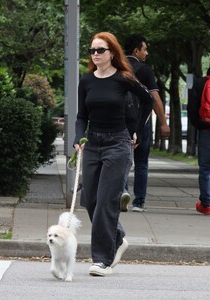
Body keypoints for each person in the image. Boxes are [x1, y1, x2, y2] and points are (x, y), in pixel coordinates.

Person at [73, 32, 153, 276]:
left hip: (118, 143)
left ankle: (102, 260)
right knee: (89, 199)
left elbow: (148, 100)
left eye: (100, 50)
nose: (95, 54)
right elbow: (81, 116)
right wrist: (78, 137)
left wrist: (137, 130)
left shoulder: (124, 78)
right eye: (92, 50)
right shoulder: (87, 81)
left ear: (112, 53)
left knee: (107, 201)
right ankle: (117, 237)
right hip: (93, 143)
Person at [120, 34, 170, 212]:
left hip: (120, 122)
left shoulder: (116, 67)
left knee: (122, 160)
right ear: (136, 50)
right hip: (142, 121)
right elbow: (154, 97)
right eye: (145, 49)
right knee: (141, 163)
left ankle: (122, 193)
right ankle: (139, 202)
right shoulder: (144, 70)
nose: (146, 53)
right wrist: (163, 122)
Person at [188, 67, 210, 215]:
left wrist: (199, 124)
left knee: (205, 168)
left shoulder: (200, 83)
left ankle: (206, 204)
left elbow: (192, 107)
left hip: (206, 130)